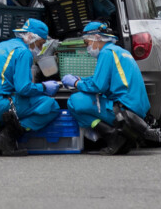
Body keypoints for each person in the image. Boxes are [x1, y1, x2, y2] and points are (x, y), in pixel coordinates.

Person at [0, 18, 61, 156]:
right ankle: (7, 137)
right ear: (32, 38)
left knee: (5, 94)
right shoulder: (23, 52)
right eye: (41, 43)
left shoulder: (2, 46)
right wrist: (44, 87)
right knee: (51, 106)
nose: (41, 48)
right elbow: (23, 89)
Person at [63, 22, 153, 155]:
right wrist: (81, 79)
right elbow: (103, 79)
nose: (87, 47)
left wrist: (76, 84)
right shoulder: (120, 51)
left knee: (75, 101)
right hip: (135, 110)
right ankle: (121, 137)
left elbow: (98, 86)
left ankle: (113, 136)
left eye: (87, 43)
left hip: (124, 110)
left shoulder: (106, 53)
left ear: (97, 38)